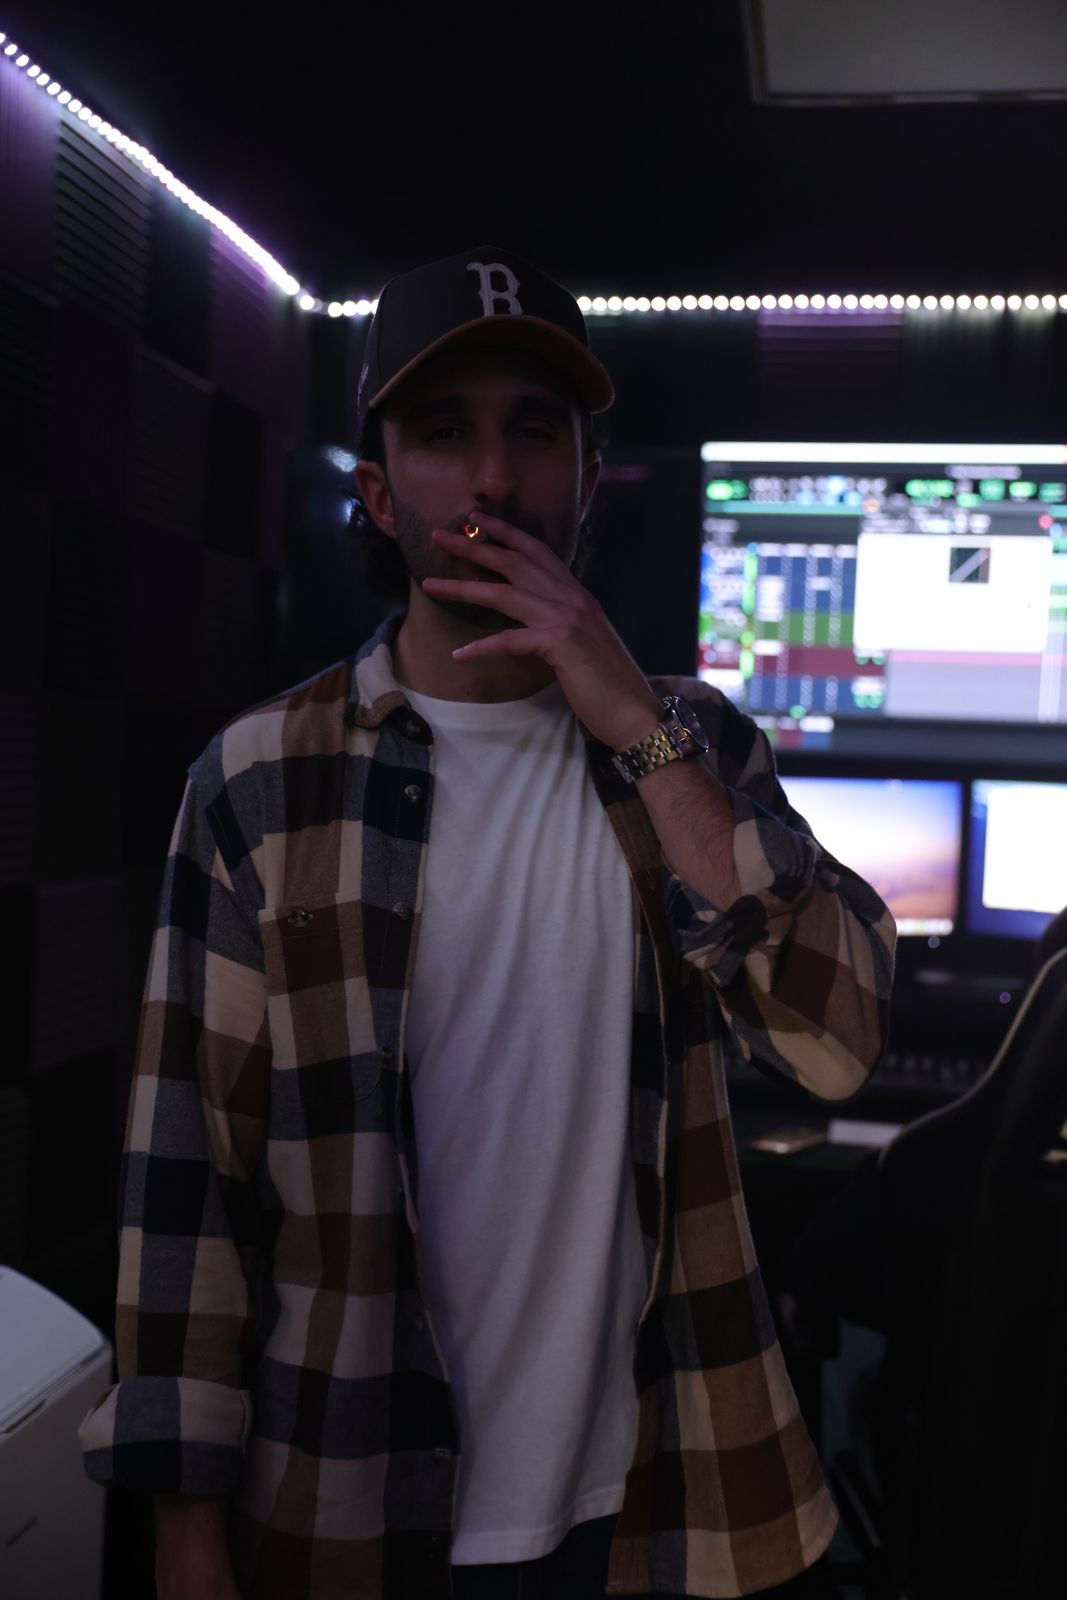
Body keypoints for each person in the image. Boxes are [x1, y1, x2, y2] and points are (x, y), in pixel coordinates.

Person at [79, 245, 896, 1600]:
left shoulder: (694, 745)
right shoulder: (260, 779)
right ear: (378, 488)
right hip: (347, 1502)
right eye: (445, 433)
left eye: (534, 432)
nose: (495, 481)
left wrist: (635, 723)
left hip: (659, 1502)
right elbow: (187, 1179)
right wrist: (185, 1532)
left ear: (589, 478)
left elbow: (839, 1043)